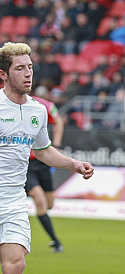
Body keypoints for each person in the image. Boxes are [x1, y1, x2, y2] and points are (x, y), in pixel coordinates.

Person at [0, 43, 94, 274]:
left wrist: (73, 164)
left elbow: (42, 151)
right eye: (19, 68)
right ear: (3, 75)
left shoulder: (38, 110)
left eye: (29, 67)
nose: (27, 73)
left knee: (15, 264)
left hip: (14, 198)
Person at [25, 92, 65, 253]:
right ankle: (56, 241)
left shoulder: (44, 106)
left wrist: (56, 144)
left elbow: (59, 121)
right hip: (25, 165)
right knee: (39, 200)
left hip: (42, 162)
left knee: (49, 204)